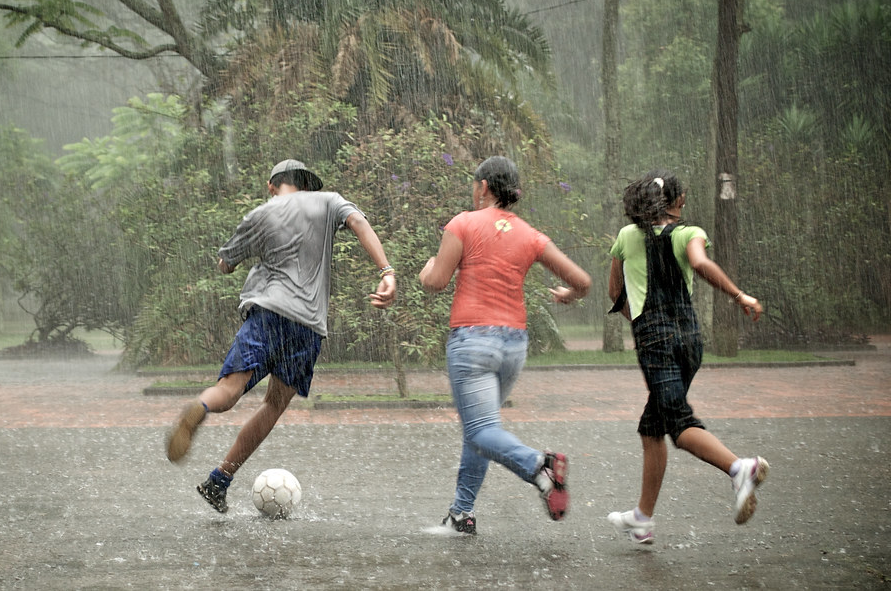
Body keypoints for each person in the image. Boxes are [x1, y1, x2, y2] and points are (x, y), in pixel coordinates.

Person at [165, 159, 396, 513]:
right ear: (305, 184)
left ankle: (202, 407)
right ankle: (219, 480)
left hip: (266, 315)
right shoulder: (329, 201)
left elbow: (226, 264)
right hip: (306, 326)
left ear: (272, 186)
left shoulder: (261, 214)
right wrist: (386, 271)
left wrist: (246, 252)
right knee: (273, 405)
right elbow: (359, 223)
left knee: (229, 390)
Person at [419, 156, 592, 535]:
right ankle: (461, 514)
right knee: (480, 430)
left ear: (483, 187)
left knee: (481, 431)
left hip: (472, 341)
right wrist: (569, 294)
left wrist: (427, 267)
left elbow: (436, 281)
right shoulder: (530, 235)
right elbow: (583, 280)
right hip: (513, 344)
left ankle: (539, 466)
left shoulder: (463, 223)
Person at [605, 169, 767, 545]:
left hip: (656, 343)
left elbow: (616, 291)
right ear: (676, 202)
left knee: (678, 423)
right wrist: (738, 295)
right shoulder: (689, 234)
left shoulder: (627, 237)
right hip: (690, 340)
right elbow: (699, 264)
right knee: (651, 427)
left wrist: (642, 320)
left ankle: (739, 468)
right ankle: (642, 518)